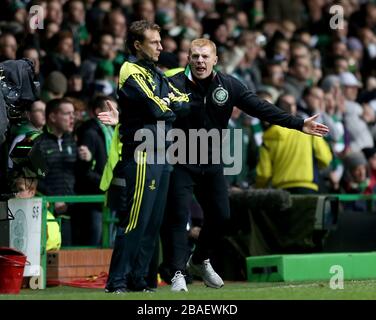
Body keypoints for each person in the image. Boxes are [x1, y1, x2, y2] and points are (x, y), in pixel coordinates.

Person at [161, 38, 329, 292]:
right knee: (177, 216)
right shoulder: (173, 85)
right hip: (180, 159)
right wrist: (124, 117)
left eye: (205, 57)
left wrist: (299, 124)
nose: (200, 61)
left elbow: (262, 109)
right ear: (188, 58)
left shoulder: (228, 85)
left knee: (221, 216)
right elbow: (148, 107)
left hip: (212, 161)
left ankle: (199, 260)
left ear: (215, 60)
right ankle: (177, 273)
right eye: (195, 56)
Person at [99, 20, 188, 293]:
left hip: (163, 154)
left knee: (152, 222)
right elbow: (156, 107)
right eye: (155, 42)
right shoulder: (130, 70)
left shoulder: (157, 74)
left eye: (161, 42)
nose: (161, 47)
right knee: (135, 220)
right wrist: (167, 105)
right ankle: (117, 281)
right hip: (142, 154)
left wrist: (167, 105)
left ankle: (139, 279)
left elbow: (183, 102)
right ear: (138, 45)